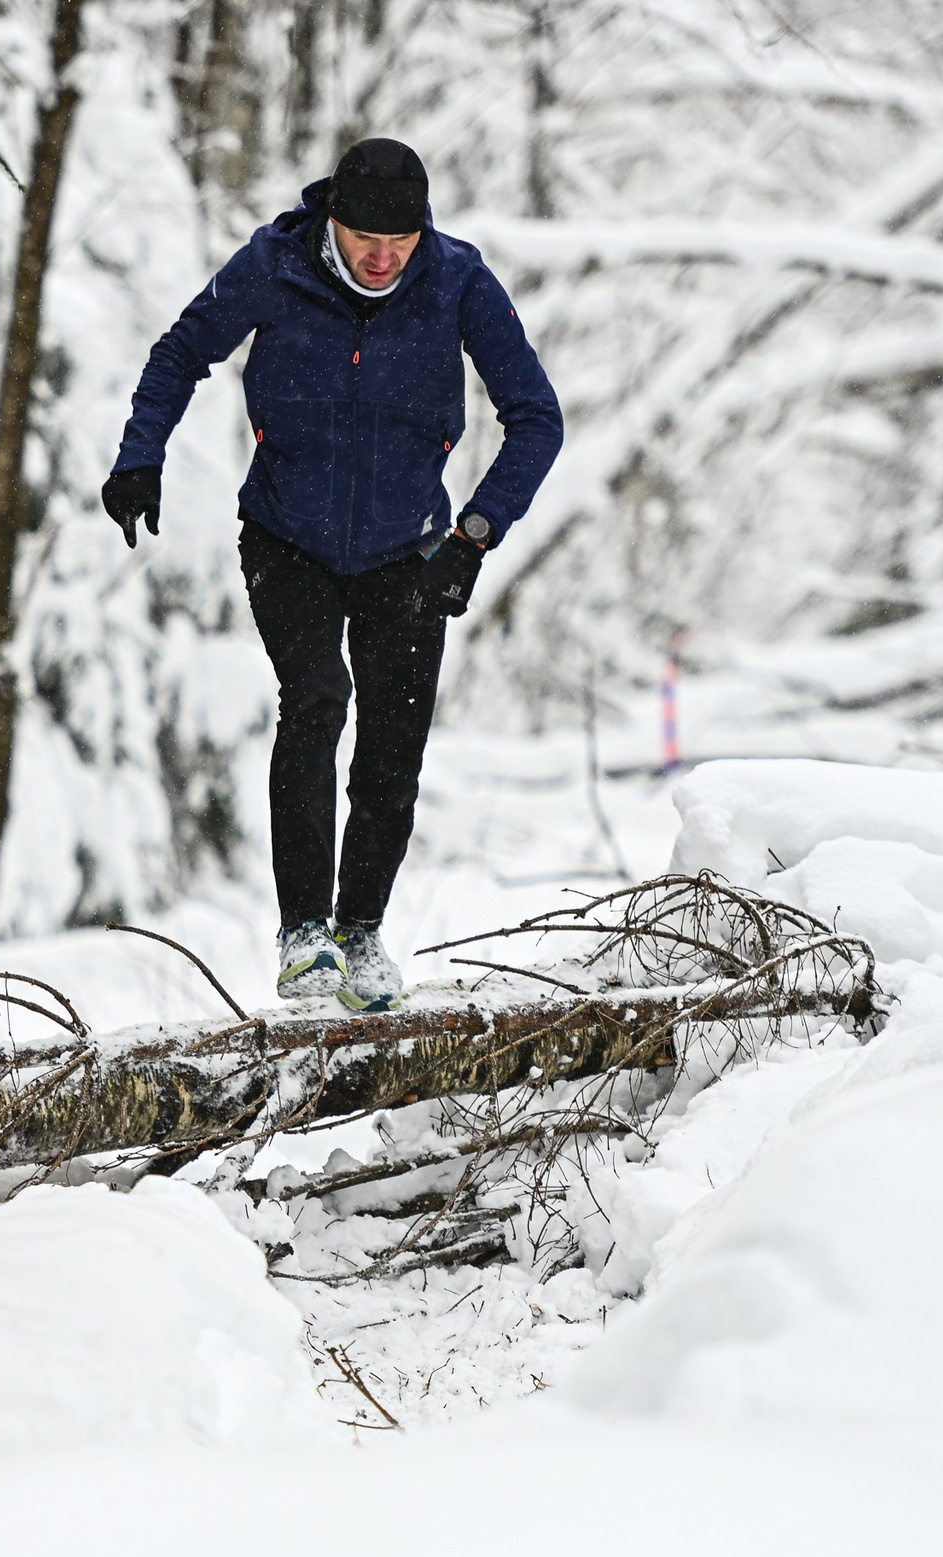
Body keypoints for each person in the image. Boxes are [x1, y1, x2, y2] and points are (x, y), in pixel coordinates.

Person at [101, 138, 563, 1011]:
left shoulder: (458, 281)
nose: (385, 260)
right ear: (333, 223)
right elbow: (179, 352)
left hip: (411, 552)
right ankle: (305, 933)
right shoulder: (274, 265)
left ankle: (360, 931)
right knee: (315, 699)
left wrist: (475, 534)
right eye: (366, 242)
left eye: (403, 243)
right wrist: (139, 456)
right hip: (287, 538)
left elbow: (537, 417)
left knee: (395, 743)